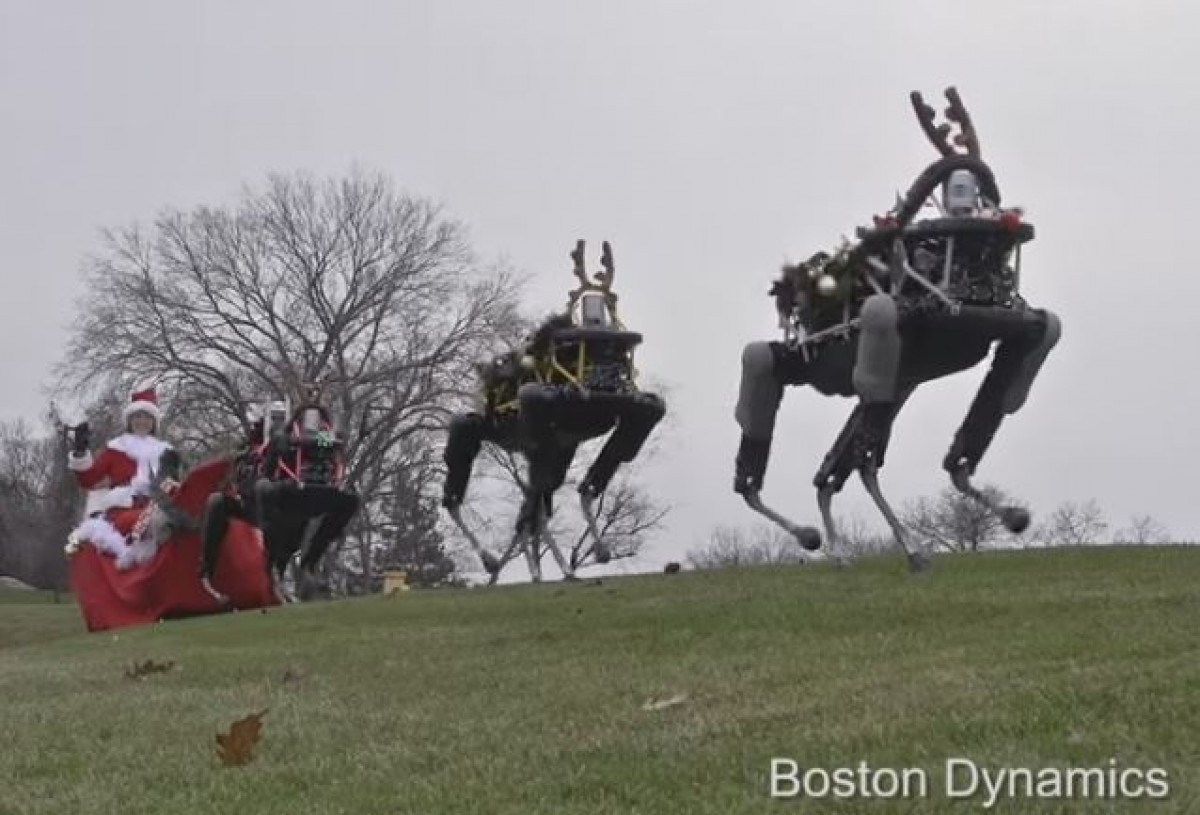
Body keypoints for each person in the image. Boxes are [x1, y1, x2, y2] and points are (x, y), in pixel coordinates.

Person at [66, 387, 177, 570]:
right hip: (123, 510)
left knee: (174, 522)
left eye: (147, 417)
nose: (142, 421)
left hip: (157, 507)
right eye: (137, 416)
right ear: (130, 420)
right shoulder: (116, 449)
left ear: (154, 422)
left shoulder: (166, 453)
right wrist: (80, 453)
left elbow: (173, 485)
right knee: (153, 520)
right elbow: (88, 480)